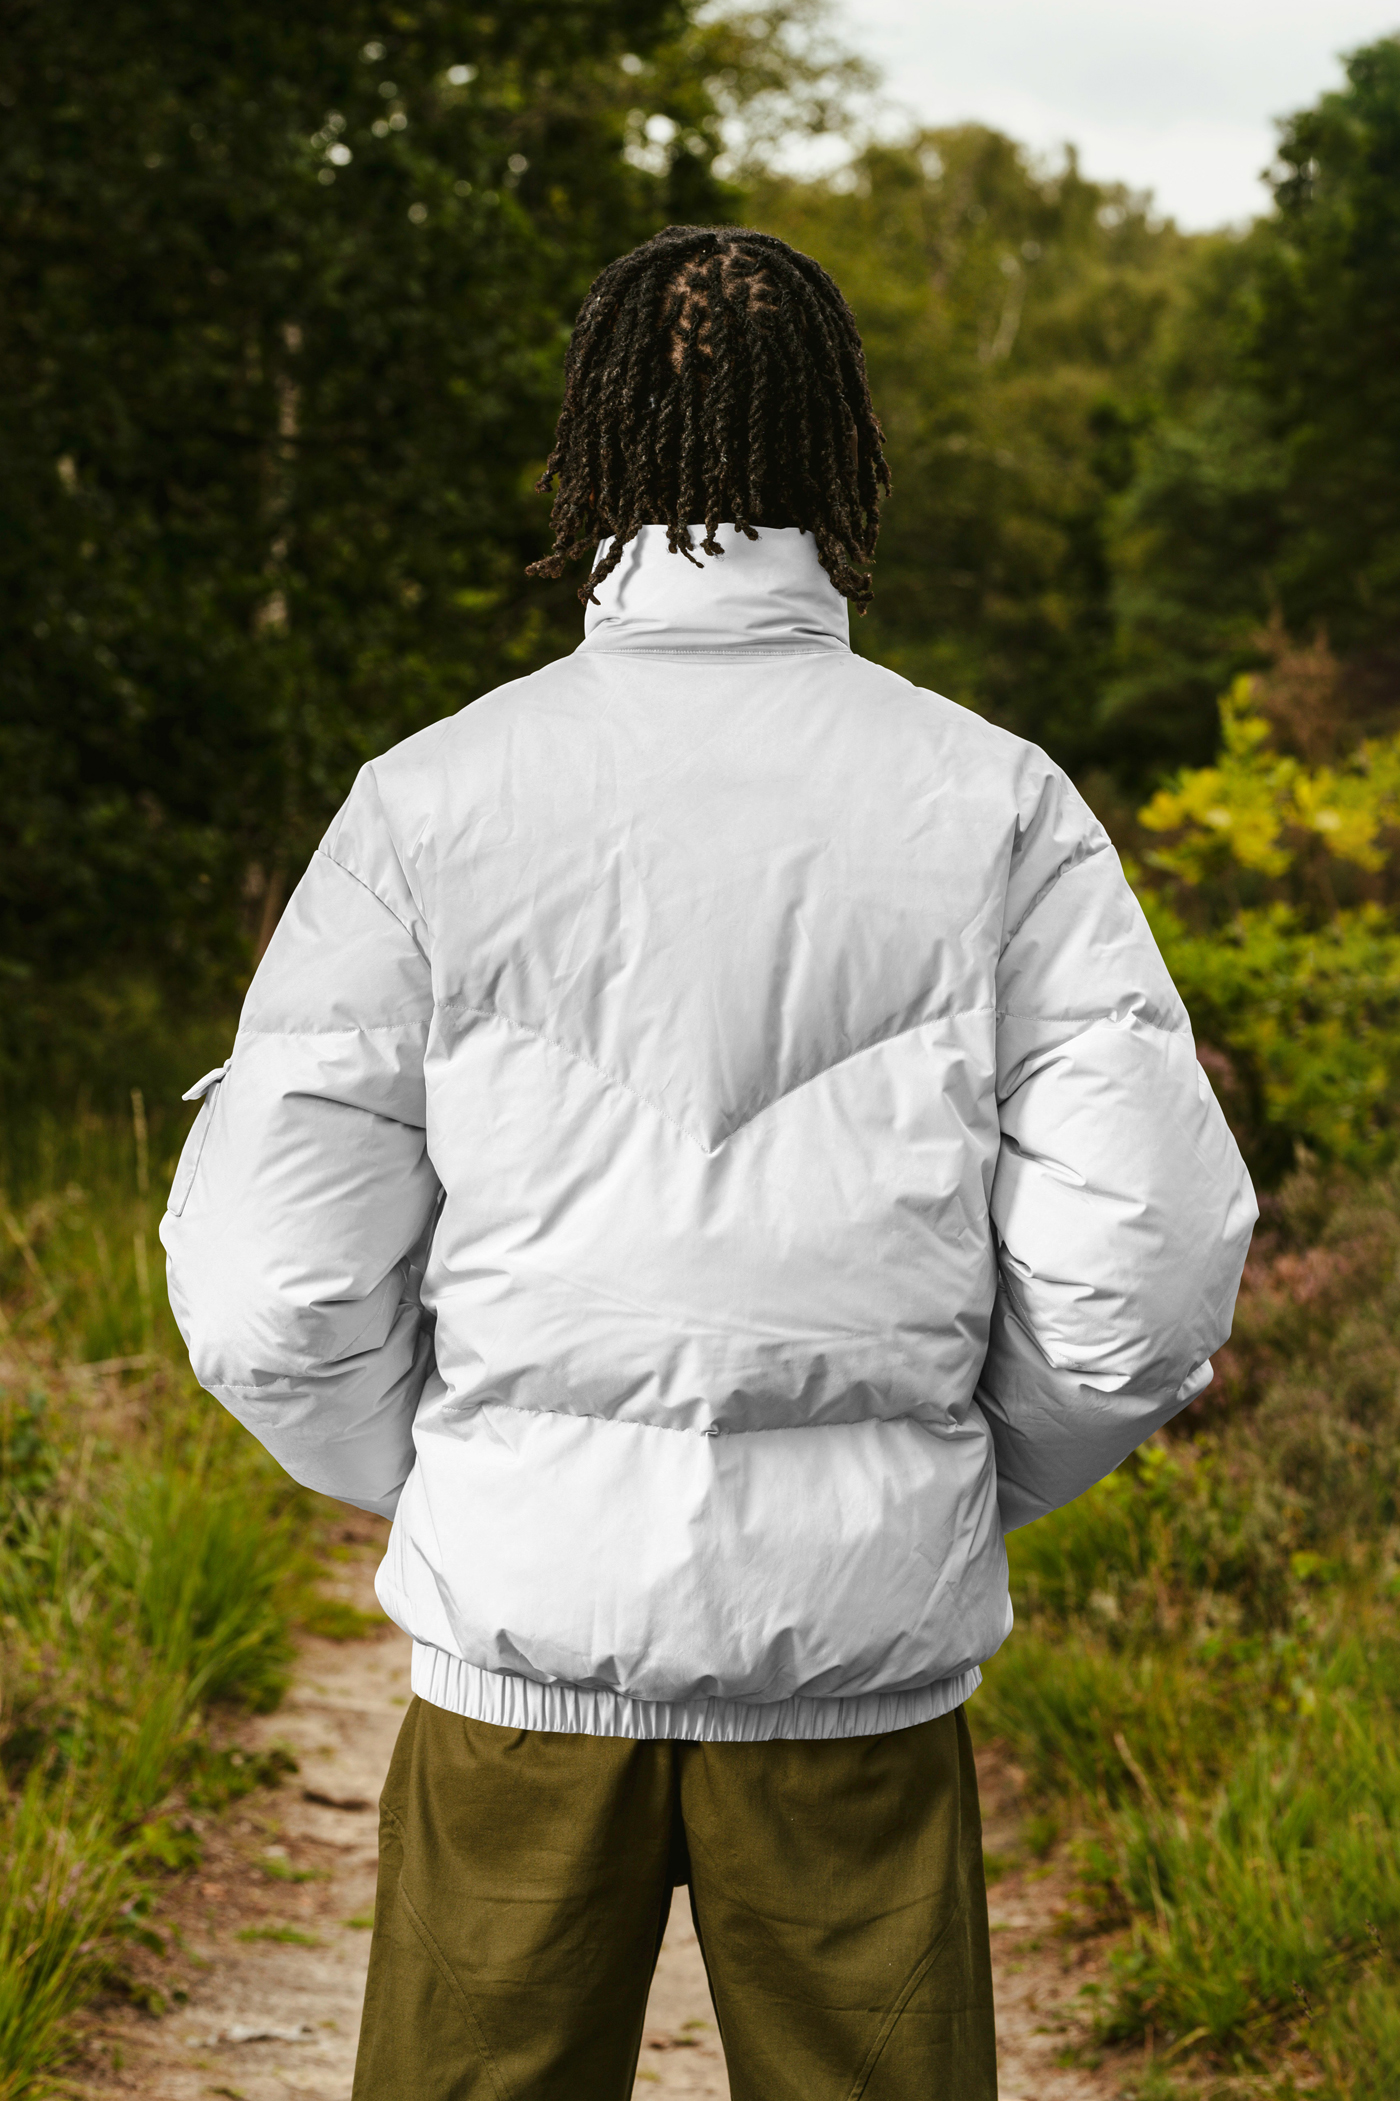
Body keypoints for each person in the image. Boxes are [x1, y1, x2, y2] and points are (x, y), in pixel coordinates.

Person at [161, 224, 1256, 2100]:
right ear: (840, 459)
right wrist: (952, 1482)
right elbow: (1141, 1279)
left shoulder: (428, 801)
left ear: (589, 463)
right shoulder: (997, 802)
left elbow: (273, 1288)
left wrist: (452, 1472)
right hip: (859, 1684)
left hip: (519, 1668)